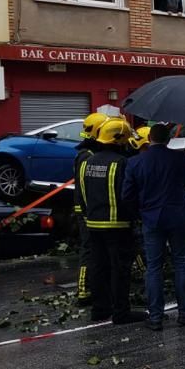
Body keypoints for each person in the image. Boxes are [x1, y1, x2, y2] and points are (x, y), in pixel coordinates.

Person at [123, 124, 185, 331]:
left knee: (154, 267)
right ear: (168, 140)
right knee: (182, 263)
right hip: (179, 218)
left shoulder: (135, 162)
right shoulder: (180, 158)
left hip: (152, 219)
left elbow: (127, 196)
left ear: (149, 138)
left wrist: (141, 213)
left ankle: (155, 317)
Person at [81, 119, 145, 325]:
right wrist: (135, 216)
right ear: (119, 140)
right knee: (120, 270)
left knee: (99, 267)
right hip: (117, 225)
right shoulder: (121, 163)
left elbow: (83, 194)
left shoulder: (88, 161)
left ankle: (100, 309)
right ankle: (121, 312)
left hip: (93, 223)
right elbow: (127, 194)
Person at [72, 112, 110, 306]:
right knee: (88, 249)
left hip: (90, 209)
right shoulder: (87, 157)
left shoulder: (88, 154)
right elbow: (83, 186)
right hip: (86, 211)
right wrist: (88, 211)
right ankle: (83, 291)